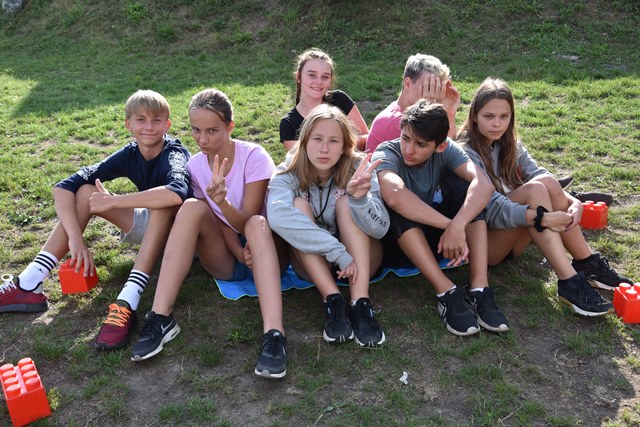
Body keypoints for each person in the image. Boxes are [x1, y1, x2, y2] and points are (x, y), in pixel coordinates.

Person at [0, 90, 191, 351]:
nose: (149, 126)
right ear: (128, 124)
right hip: (153, 230)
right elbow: (64, 186)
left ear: (167, 124)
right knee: (86, 191)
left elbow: (177, 193)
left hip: (185, 239)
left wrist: (115, 201)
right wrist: (76, 240)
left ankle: (127, 301)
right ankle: (30, 281)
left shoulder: (174, 153)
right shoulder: (130, 152)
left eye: (156, 120)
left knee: (163, 204)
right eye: (141, 119)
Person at [130, 89, 288, 379]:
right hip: (228, 254)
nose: (202, 139)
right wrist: (237, 251)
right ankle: (161, 317)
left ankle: (274, 335)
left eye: (212, 130)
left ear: (230, 126)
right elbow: (220, 224)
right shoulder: (194, 165)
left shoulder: (254, 156)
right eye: (196, 130)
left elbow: (248, 221)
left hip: (266, 248)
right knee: (191, 207)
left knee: (256, 224)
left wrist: (223, 202)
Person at [457, 78, 631, 316]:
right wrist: (542, 218)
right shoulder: (465, 152)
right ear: (474, 116)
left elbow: (542, 175)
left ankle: (586, 262)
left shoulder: (509, 143)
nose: (497, 124)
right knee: (535, 190)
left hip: (515, 234)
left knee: (546, 182)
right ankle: (568, 281)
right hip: (487, 244)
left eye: (504, 116)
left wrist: (574, 202)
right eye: (489, 116)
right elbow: (492, 209)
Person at [373, 100, 509, 337]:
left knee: (466, 190)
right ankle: (446, 292)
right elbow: (394, 196)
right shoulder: (387, 151)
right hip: (397, 241)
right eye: (405, 138)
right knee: (400, 205)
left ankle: (479, 288)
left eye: (420, 144)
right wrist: (452, 226)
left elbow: (484, 184)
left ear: (440, 146)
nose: (409, 149)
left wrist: (459, 224)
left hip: (438, 236)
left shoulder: (448, 149)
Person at [269, 104, 389, 347]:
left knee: (346, 202)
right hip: (316, 264)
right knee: (298, 206)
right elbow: (277, 215)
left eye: (334, 141)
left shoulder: (359, 169)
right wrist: (336, 251)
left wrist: (360, 201)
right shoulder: (289, 170)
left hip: (362, 261)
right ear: (304, 141)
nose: (324, 149)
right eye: (317, 139)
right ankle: (333, 300)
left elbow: (382, 228)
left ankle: (360, 303)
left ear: (345, 145)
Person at [366, 54, 461, 153]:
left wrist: (449, 113)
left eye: (438, 88)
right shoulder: (395, 122)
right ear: (407, 84)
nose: (435, 95)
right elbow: (441, 155)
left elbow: (448, 153)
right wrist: (428, 108)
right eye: (429, 87)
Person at [280, 48, 369, 152]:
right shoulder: (288, 123)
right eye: (312, 75)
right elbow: (299, 157)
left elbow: (367, 136)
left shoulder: (340, 99)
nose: (319, 82)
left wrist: (339, 144)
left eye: (325, 77)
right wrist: (340, 143)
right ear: (298, 77)